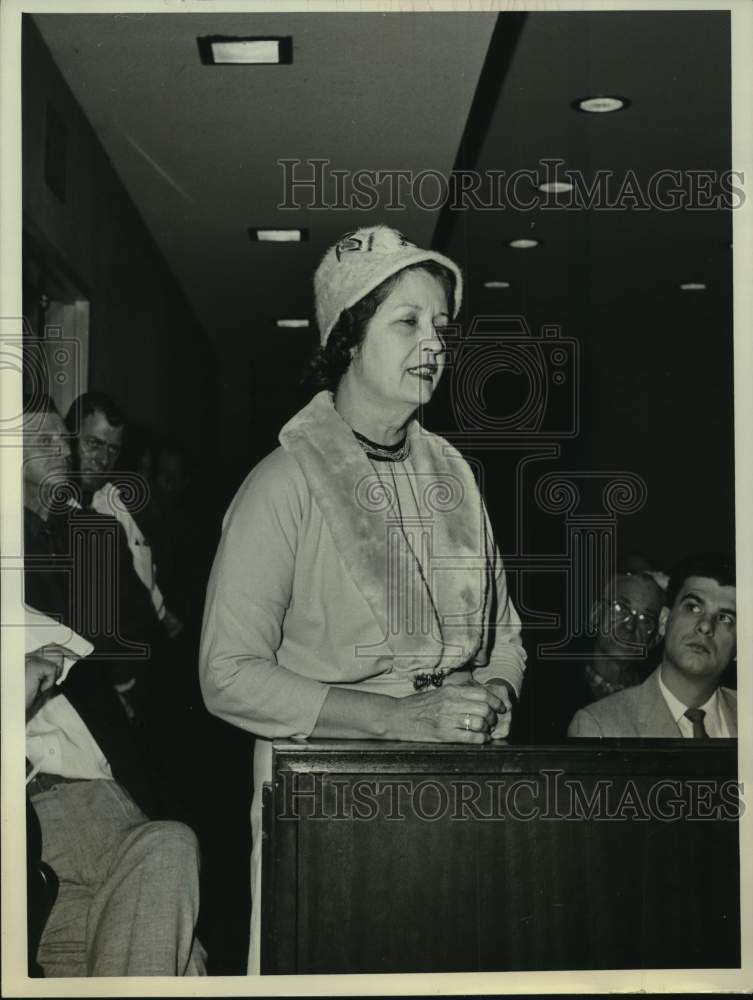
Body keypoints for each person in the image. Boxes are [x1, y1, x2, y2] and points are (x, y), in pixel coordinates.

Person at [200, 225, 527, 972]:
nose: (433, 344)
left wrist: (495, 694)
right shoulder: (280, 486)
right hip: (327, 796)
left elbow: (503, 634)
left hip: (456, 784)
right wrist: (393, 717)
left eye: (440, 327)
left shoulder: (457, 478)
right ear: (347, 337)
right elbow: (226, 674)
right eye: (406, 322)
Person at [23, 610, 207, 978]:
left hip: (117, 808)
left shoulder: (35, 616)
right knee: (176, 965)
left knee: (170, 950)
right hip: (31, 837)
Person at [568, 552, 736, 738]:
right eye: (693, 608)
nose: (705, 626)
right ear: (665, 621)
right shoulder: (592, 720)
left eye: (725, 618)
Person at [582, 571, 666, 701]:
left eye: (645, 619)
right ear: (596, 614)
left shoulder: (655, 699)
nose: (630, 626)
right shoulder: (551, 683)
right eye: (620, 609)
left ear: (655, 640)